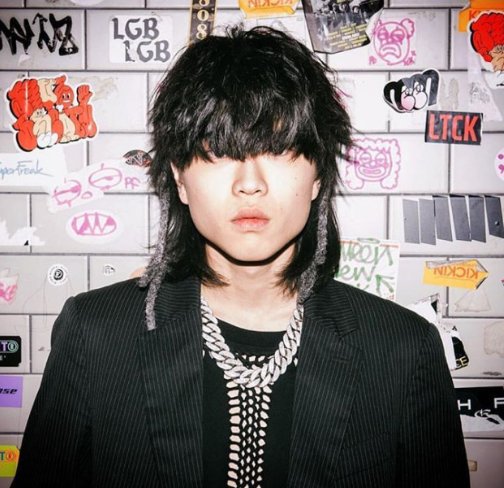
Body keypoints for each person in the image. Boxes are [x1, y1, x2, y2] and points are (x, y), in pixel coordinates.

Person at [12, 25, 469, 488]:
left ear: (317, 175)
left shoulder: (402, 349)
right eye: (218, 151)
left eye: (279, 149)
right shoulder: (95, 333)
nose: (250, 183)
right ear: (179, 178)